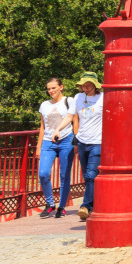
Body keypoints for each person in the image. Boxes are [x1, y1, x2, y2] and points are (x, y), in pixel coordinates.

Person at [55, 72, 103, 220]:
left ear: (95, 85)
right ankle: (95, 204)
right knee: (87, 176)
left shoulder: (103, 98)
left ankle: (85, 206)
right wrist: (58, 129)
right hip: (82, 141)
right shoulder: (78, 97)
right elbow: (70, 116)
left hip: (97, 141)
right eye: (83, 85)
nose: (85, 87)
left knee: (90, 176)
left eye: (88, 85)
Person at [37, 78, 76, 218]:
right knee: (43, 173)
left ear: (61, 87)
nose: (51, 91)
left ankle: (62, 206)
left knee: (64, 175)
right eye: (48, 89)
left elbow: (74, 120)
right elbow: (42, 127)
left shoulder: (69, 101)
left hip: (66, 140)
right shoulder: (44, 105)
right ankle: (50, 203)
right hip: (48, 141)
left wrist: (76, 142)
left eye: (53, 88)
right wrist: (38, 146)